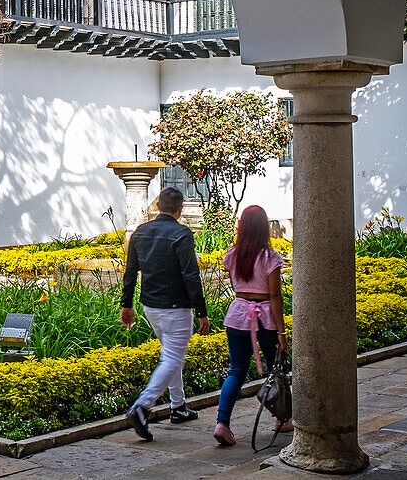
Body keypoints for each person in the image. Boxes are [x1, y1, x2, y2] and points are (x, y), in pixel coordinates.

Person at [120, 187, 210, 441]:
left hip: (151, 307)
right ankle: (142, 406)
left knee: (172, 355)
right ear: (179, 209)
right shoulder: (182, 234)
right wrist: (202, 311)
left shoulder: (141, 231)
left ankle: (178, 407)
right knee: (172, 358)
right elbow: (191, 276)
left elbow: (130, 272)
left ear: (157, 205)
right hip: (176, 308)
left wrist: (127, 305)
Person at [213, 204, 291, 446]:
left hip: (238, 314)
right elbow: (275, 295)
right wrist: (282, 331)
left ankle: (222, 423)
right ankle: (282, 418)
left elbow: (236, 283)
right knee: (275, 369)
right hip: (264, 316)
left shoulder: (232, 254)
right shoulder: (270, 258)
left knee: (236, 370)